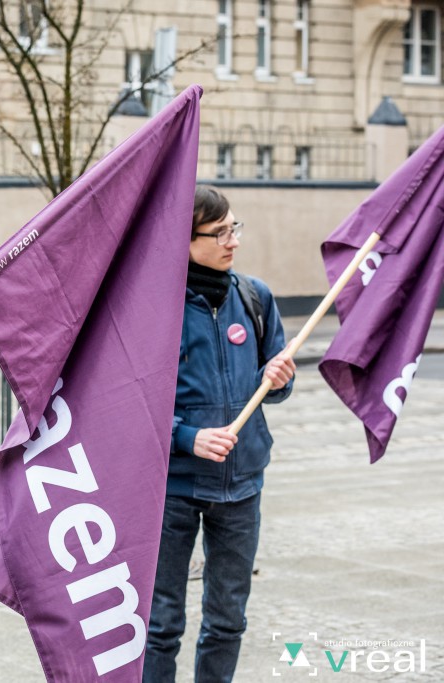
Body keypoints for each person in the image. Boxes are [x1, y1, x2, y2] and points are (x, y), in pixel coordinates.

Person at [143, 185, 296, 682]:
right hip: (174, 489)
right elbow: (131, 408)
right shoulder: (155, 310)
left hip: (242, 484)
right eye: (219, 232)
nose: (233, 241)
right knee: (160, 622)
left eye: (235, 227)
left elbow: (271, 390)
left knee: (228, 620)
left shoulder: (254, 297)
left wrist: (279, 380)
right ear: (182, 241)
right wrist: (188, 437)